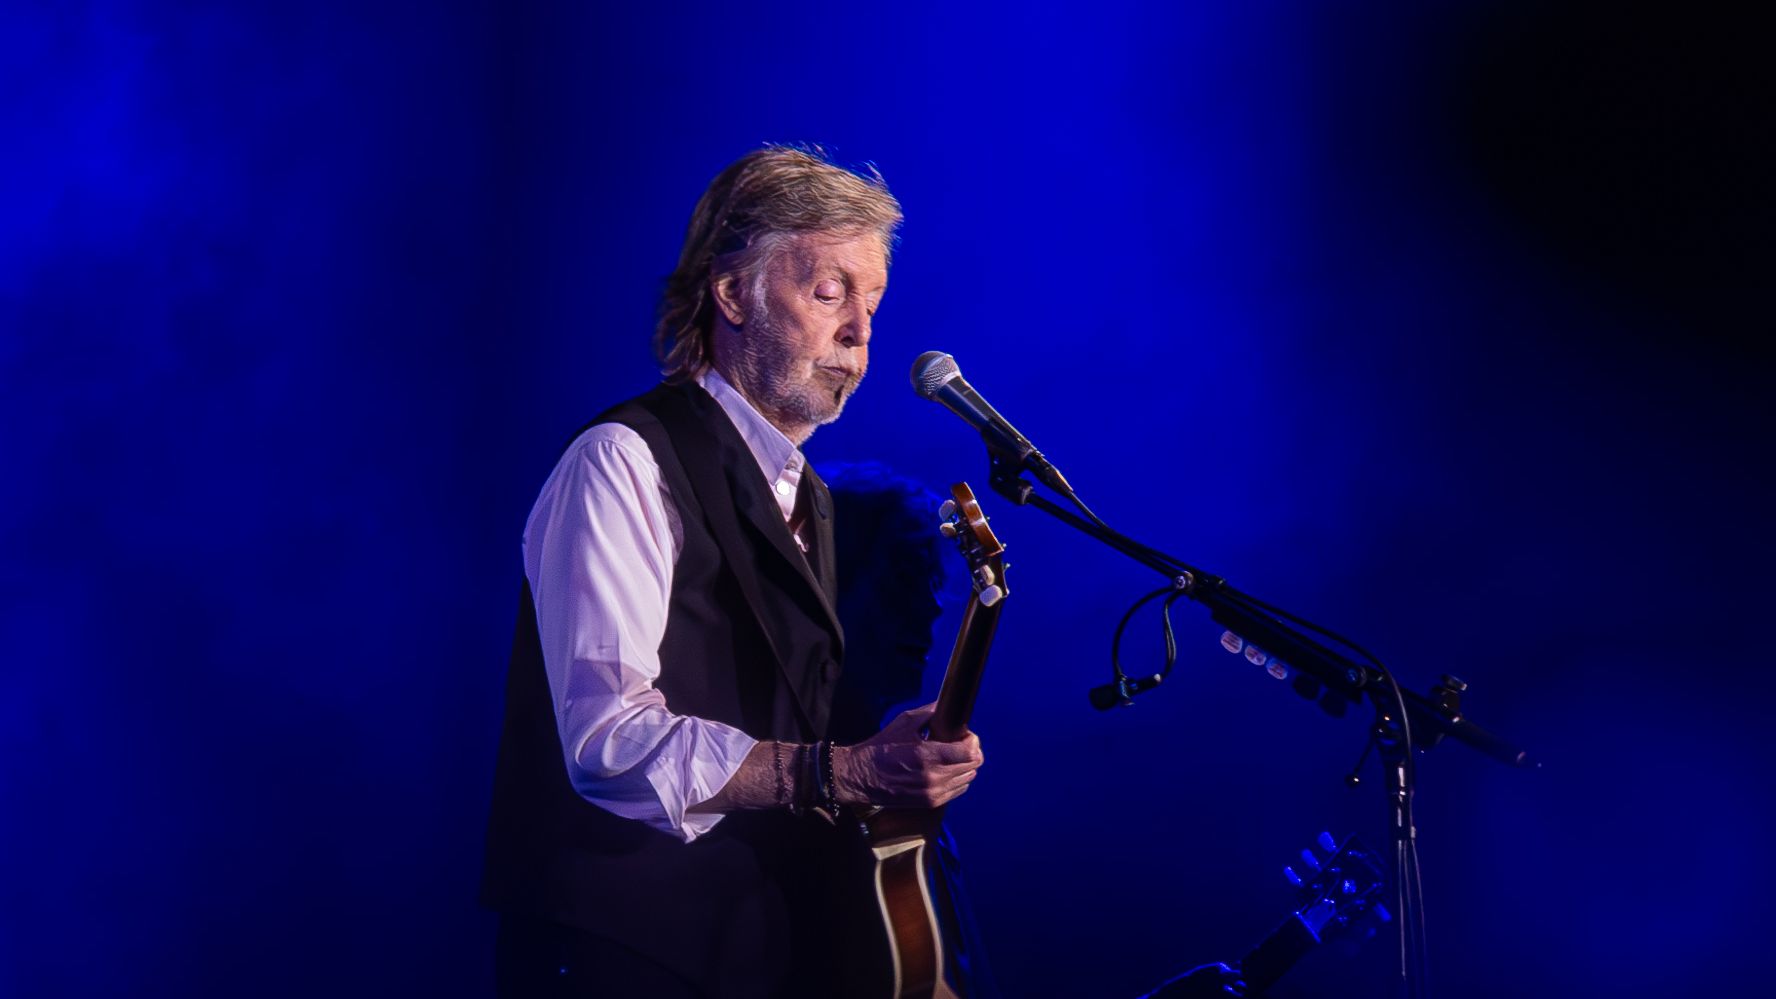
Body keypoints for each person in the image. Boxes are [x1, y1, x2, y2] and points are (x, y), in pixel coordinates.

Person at [479, 146, 986, 998]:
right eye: (829, 292)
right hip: (620, 959)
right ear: (733, 293)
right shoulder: (622, 459)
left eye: (872, 303)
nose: (860, 332)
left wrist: (882, 766)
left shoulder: (809, 496)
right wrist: (838, 771)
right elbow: (606, 741)